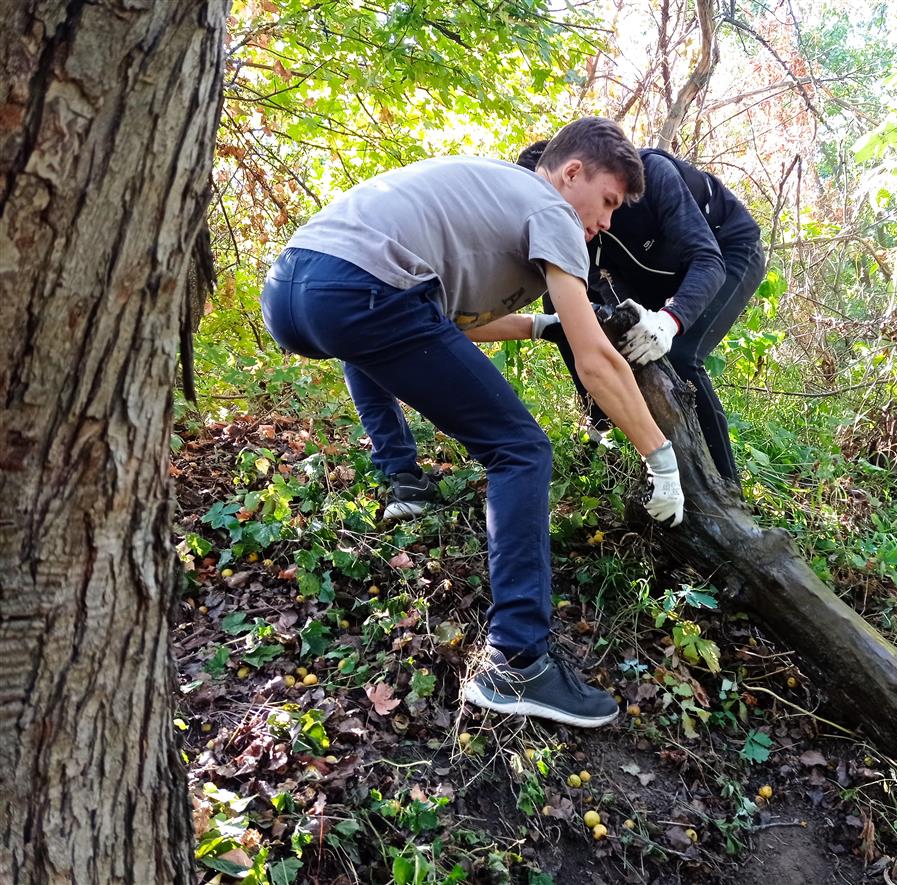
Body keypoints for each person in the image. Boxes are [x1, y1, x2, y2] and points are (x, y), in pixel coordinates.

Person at [259, 117, 684, 728]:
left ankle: (403, 482)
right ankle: (518, 660)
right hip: (358, 290)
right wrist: (659, 459)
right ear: (571, 173)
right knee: (521, 450)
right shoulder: (552, 211)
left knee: (369, 341)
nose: (608, 222)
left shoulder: (489, 191)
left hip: (294, 290)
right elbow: (597, 362)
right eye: (609, 201)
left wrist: (542, 326)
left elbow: (446, 326)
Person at [518, 141, 764, 485]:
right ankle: (600, 425)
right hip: (647, 270)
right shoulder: (571, 228)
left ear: (573, 177)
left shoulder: (651, 176)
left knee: (678, 355)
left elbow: (708, 261)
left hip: (724, 251)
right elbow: (589, 312)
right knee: (572, 313)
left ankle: (726, 488)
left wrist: (668, 321)